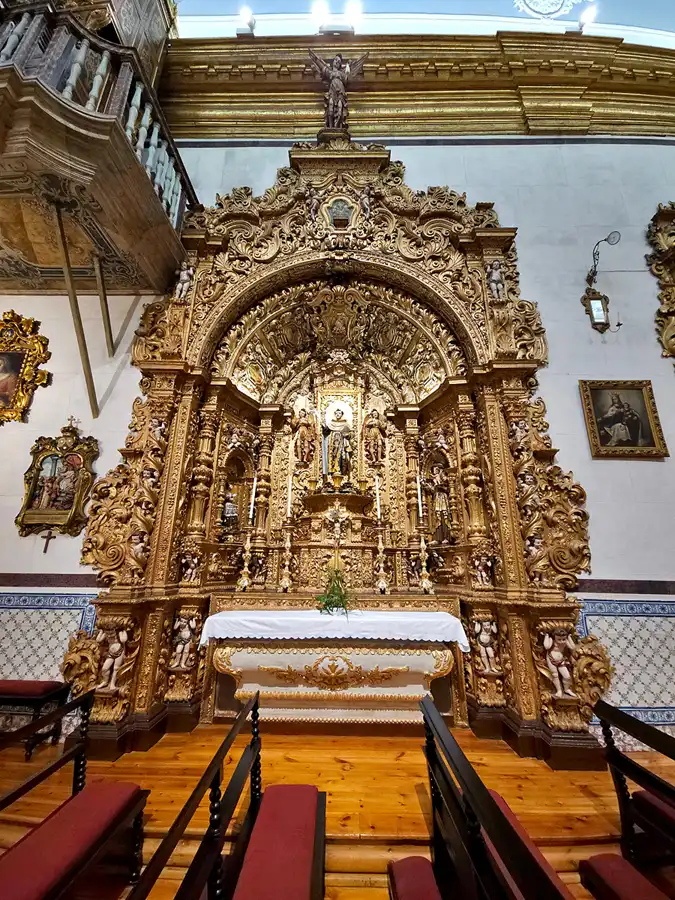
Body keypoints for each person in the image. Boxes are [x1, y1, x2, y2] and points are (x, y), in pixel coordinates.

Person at [323, 407, 353, 478]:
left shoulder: (345, 424)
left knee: (341, 455)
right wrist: (324, 427)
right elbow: (325, 432)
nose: (338, 414)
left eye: (339, 413)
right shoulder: (331, 423)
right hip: (332, 441)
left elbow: (351, 434)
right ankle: (332, 470)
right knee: (332, 455)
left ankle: (340, 470)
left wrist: (347, 435)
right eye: (336, 413)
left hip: (341, 441)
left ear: (342, 414)